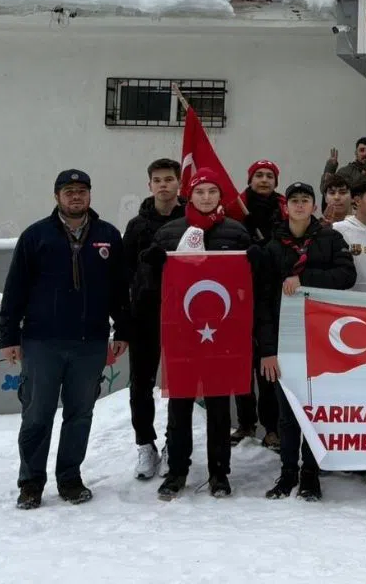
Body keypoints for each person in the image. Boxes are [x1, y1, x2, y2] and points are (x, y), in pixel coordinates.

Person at [0, 169, 132, 510]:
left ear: (90, 195)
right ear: (56, 196)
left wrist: (124, 329)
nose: (76, 196)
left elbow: (119, 289)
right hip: (42, 342)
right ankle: (31, 482)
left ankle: (70, 478)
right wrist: (9, 336)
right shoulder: (36, 236)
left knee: (80, 414)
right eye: (69, 191)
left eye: (82, 190)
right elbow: (15, 290)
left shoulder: (108, 236)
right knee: (37, 414)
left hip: (90, 342)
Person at [143, 169, 254, 500]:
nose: (206, 197)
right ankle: (177, 471)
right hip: (182, 332)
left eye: (212, 192)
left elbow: (248, 283)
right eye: (200, 191)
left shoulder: (236, 232)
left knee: (220, 407)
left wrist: (256, 262)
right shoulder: (170, 232)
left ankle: (220, 473)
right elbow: (152, 284)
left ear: (221, 196)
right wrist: (150, 263)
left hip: (222, 333)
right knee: (180, 407)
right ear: (189, 195)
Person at [256, 181, 359, 501]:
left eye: (306, 200)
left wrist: (304, 279)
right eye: (294, 201)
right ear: (286, 206)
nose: (300, 206)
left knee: (316, 409)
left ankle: (311, 474)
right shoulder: (272, 246)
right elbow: (262, 301)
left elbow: (346, 276)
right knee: (288, 412)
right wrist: (267, 350)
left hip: (322, 336)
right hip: (285, 339)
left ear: (314, 206)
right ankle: (288, 473)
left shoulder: (330, 238)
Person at [121, 158, 184, 480]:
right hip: (145, 315)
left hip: (184, 317)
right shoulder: (137, 226)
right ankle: (145, 444)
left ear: (178, 183)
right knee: (141, 384)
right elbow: (123, 272)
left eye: (169, 179)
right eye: (157, 180)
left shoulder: (191, 221)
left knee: (179, 384)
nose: (163, 185)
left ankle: (176, 441)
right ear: (149, 185)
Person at [233, 159, 286, 449]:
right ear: (250, 179)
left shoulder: (285, 208)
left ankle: (271, 427)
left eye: (269, 176)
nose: (264, 180)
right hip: (238, 297)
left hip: (271, 299)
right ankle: (245, 422)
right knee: (242, 365)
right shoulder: (235, 207)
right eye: (259, 175)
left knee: (267, 368)